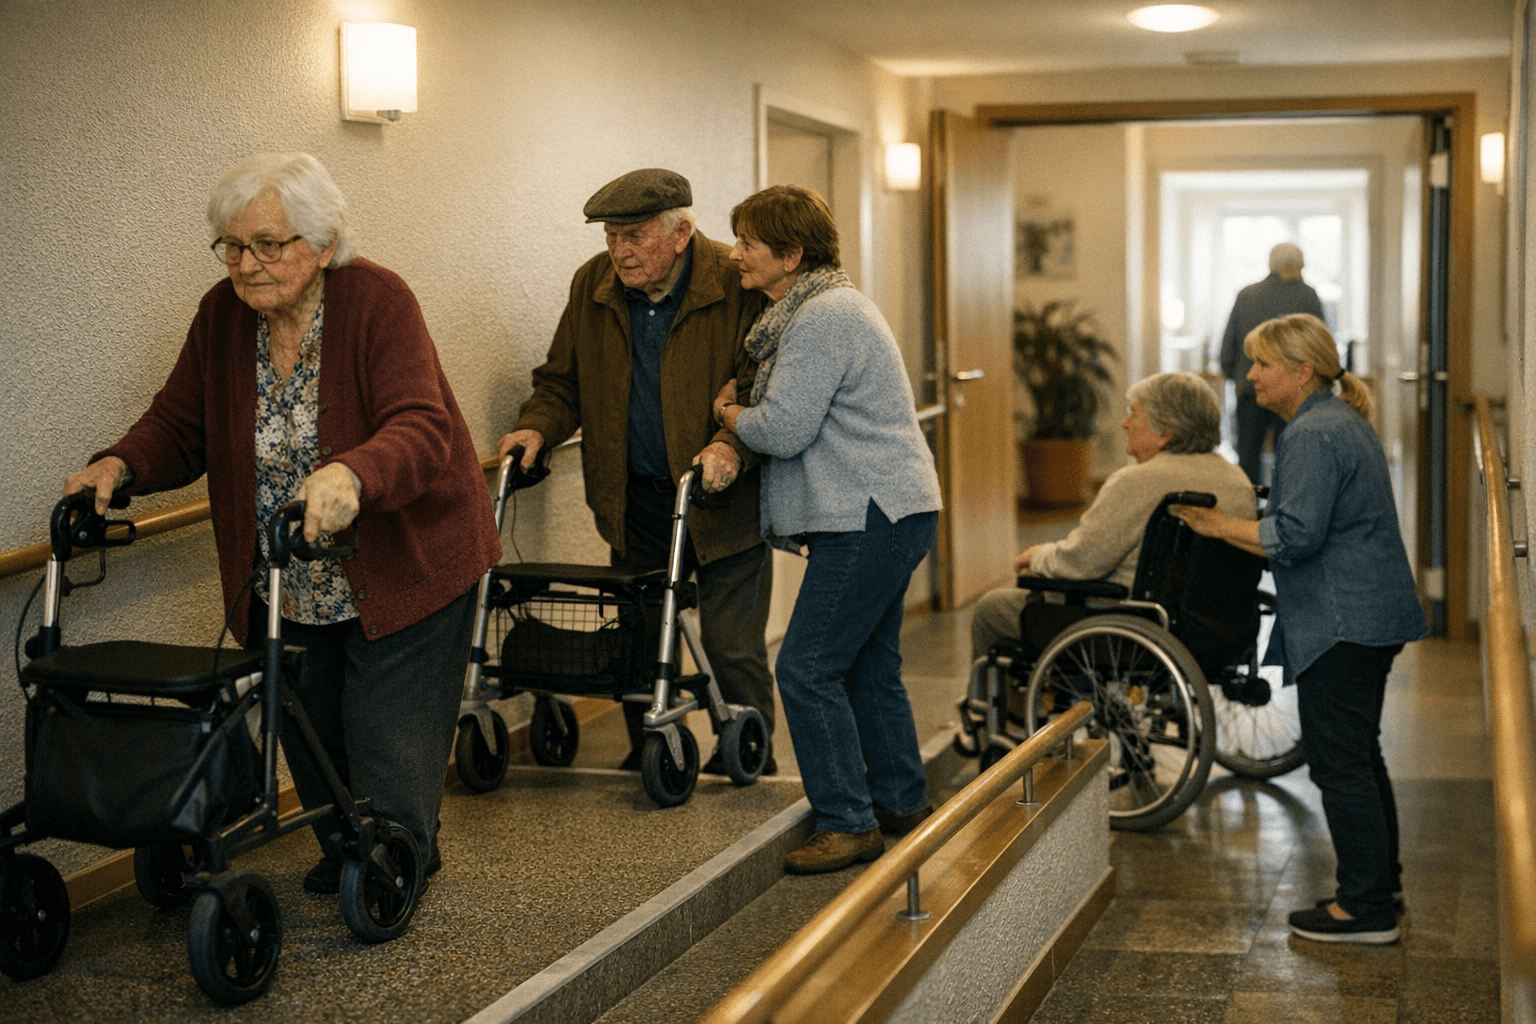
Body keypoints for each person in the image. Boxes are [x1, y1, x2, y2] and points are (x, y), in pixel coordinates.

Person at [64, 152, 500, 895]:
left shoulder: (377, 301)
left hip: (408, 567)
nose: (248, 263)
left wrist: (354, 472)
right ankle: (348, 850)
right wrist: (119, 467)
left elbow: (422, 426)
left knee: (385, 738)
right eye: (234, 245)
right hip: (291, 574)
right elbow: (179, 423)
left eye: (271, 243)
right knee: (309, 727)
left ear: (323, 243)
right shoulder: (221, 317)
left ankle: (397, 860)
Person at [498, 168, 777, 773]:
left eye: (633, 236)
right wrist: (537, 427)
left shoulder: (737, 282)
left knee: (732, 648)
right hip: (636, 501)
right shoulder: (593, 285)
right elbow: (562, 382)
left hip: (725, 500)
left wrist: (733, 446)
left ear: (681, 233)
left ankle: (750, 759)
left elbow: (763, 390)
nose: (618, 251)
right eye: (610, 236)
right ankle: (652, 749)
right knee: (640, 640)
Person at [1173, 312, 1427, 945]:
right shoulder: (1340, 421)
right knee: (1358, 755)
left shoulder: (1312, 434)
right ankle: (1380, 886)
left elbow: (1296, 536)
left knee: (1340, 765)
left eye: (1262, 364)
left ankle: (1364, 909)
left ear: (1302, 370)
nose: (1250, 374)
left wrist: (1217, 526)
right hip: (1372, 613)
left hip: (1344, 620)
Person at [713, 184, 942, 875]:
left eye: (750, 242)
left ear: (792, 253)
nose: (737, 254)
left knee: (806, 668)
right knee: (870, 668)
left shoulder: (823, 317)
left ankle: (848, 822)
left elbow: (783, 427)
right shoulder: (816, 309)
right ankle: (901, 803)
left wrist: (729, 416)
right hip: (891, 509)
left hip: (871, 514)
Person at [970, 371, 1257, 663]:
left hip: (1131, 626)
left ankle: (993, 705)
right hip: (1220, 630)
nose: (1124, 423)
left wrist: (1039, 556)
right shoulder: (1237, 480)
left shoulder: (1136, 481)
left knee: (992, 607)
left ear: (1164, 433)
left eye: (1134, 413)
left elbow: (1080, 563)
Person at [1220, 242, 1325, 484]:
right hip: (1293, 390)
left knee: (1247, 455)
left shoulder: (1246, 295)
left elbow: (1228, 344)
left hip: (1249, 388)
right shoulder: (1307, 295)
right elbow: (1319, 344)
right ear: (1294, 267)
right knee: (1289, 453)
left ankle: (1249, 508)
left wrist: (1234, 375)